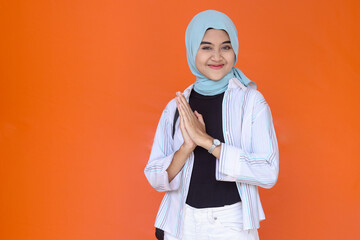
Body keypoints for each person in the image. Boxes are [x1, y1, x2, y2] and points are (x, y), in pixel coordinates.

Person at [144, 10, 279, 240]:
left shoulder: (252, 102)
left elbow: (268, 171)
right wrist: (186, 148)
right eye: (206, 47)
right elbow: (155, 176)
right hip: (181, 223)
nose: (217, 56)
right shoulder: (176, 107)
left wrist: (207, 142)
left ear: (234, 49)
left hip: (232, 225)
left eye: (225, 47)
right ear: (191, 49)